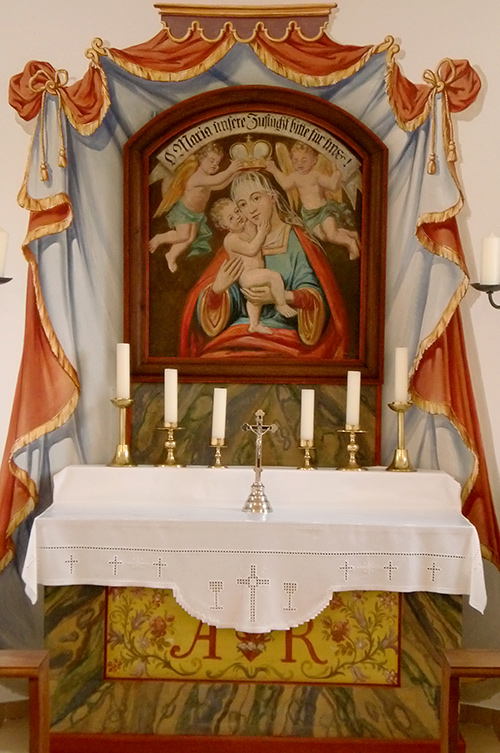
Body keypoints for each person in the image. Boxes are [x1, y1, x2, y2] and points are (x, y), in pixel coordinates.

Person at [179, 171, 349, 360]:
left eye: (256, 198)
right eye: (242, 205)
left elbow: (316, 299)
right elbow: (229, 297)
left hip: (284, 339)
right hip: (239, 334)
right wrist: (217, 290)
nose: (250, 209)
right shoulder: (238, 240)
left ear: (273, 197)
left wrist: (283, 296)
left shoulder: (296, 240)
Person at [149, 142, 243, 272]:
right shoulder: (197, 177)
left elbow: (219, 185)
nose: (215, 165)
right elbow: (217, 180)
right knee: (182, 235)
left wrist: (234, 175)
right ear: (201, 159)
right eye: (211, 160)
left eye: (217, 162)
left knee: (189, 238)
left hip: (196, 214)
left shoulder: (206, 179)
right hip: (183, 211)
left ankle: (171, 255)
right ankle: (160, 238)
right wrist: (231, 170)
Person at [209, 197, 297, 335]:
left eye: (237, 211)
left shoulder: (248, 225)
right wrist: (262, 233)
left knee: (255, 302)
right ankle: (281, 304)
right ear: (224, 226)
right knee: (274, 276)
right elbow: (252, 249)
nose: (237, 217)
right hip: (247, 276)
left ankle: (254, 324)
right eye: (231, 218)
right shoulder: (231, 240)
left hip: (256, 272)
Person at [266, 141, 361, 260]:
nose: (299, 164)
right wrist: (274, 169)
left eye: (304, 160)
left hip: (324, 211)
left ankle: (350, 244)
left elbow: (332, 186)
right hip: (308, 215)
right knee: (323, 237)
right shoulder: (295, 176)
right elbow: (285, 184)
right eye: (295, 160)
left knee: (332, 235)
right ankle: (351, 234)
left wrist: (336, 173)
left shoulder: (316, 175)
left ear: (314, 160)